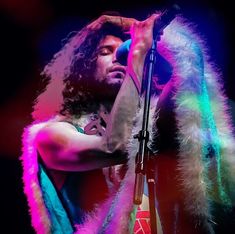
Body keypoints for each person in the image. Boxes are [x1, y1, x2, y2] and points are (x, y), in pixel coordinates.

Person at [21, 10, 235, 234]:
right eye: (106, 52)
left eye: (123, 51)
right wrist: (137, 55)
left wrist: (144, 29)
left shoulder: (145, 124)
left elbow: (188, 76)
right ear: (82, 69)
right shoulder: (51, 134)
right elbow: (114, 147)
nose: (120, 57)